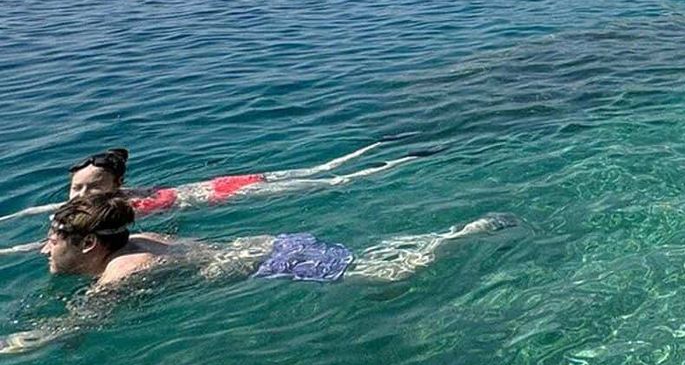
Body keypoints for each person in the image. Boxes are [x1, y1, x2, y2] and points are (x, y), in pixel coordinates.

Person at [0, 194, 516, 353]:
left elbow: (79, 324)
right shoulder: (134, 242)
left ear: (88, 244)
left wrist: (25, 343)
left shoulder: (122, 271)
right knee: (378, 267)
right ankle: (452, 235)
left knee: (390, 277)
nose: (44, 248)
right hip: (263, 249)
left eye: (53, 240)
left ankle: (463, 236)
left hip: (272, 263)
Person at [0, 140, 437, 233]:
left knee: (330, 176)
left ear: (115, 185)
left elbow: (57, 225)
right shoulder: (107, 202)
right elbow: (40, 215)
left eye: (89, 189)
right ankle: (385, 149)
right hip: (224, 184)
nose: (79, 197)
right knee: (325, 170)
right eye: (75, 189)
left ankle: (389, 159)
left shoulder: (119, 208)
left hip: (232, 190)